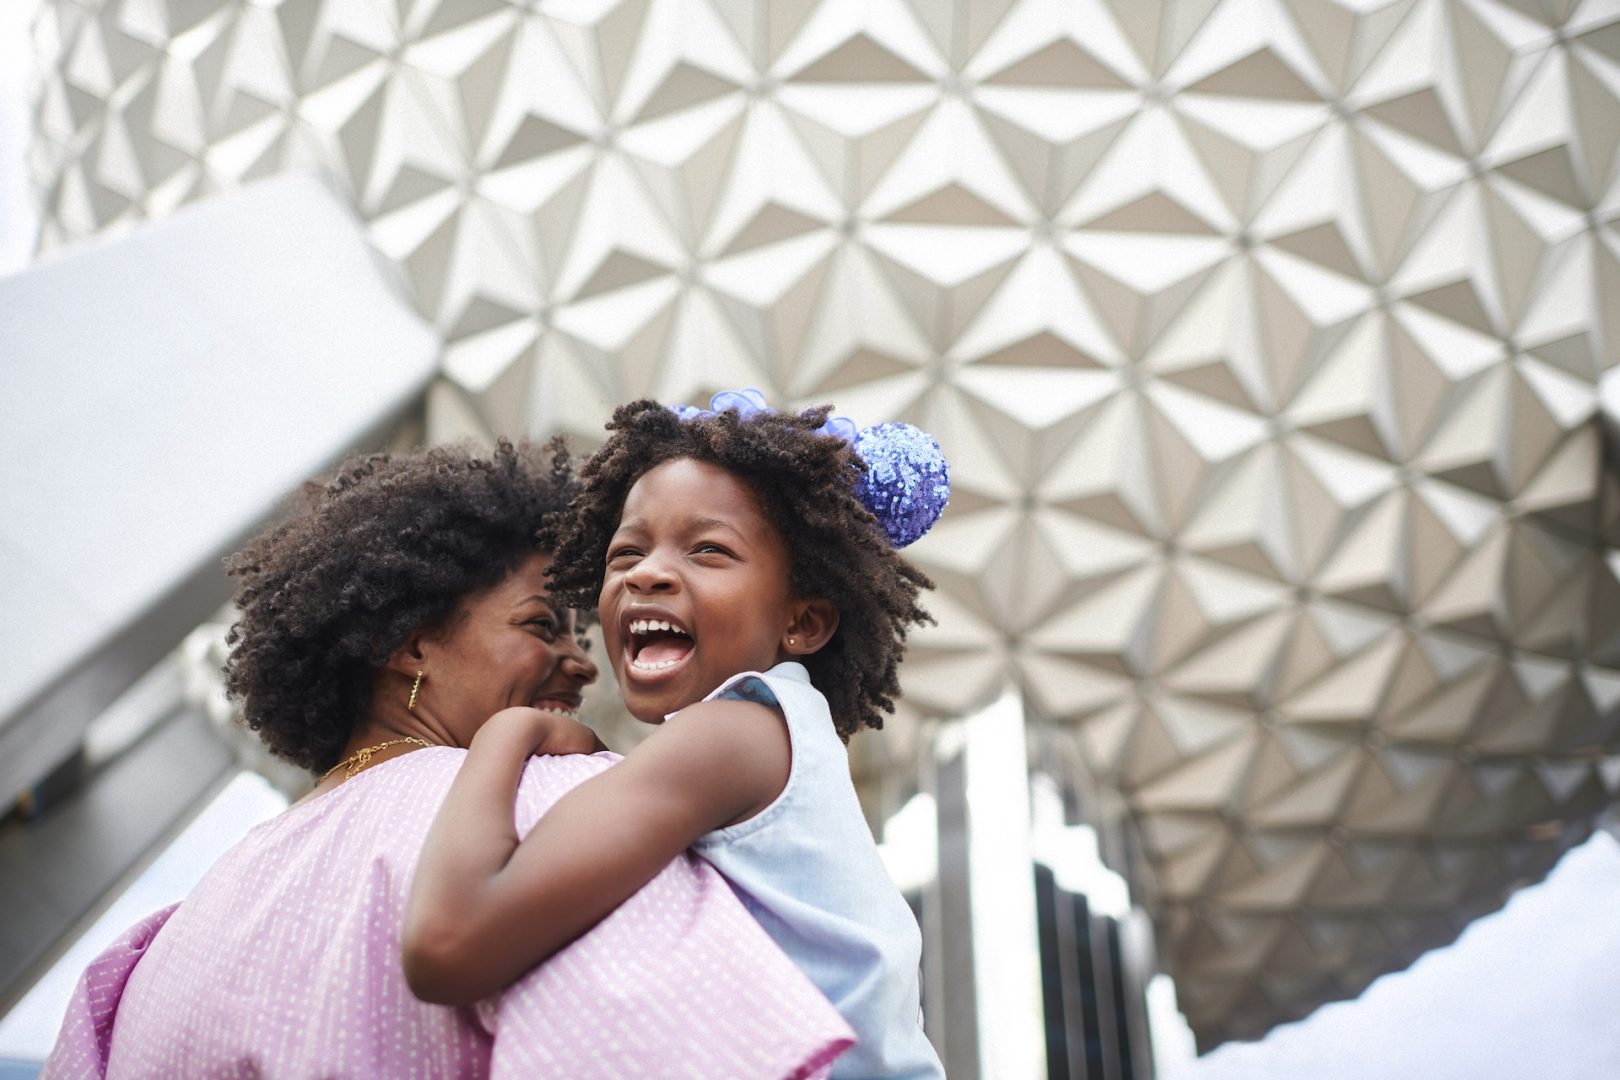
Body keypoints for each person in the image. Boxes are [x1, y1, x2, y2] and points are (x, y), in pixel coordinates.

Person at [43, 439, 852, 1079]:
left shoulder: (153, 952)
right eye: (541, 625)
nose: (582, 664)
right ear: (411, 643)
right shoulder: (543, 810)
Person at [404, 394, 951, 1079]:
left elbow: (449, 943)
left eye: (709, 550)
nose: (647, 572)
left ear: (803, 623)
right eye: (626, 552)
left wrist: (503, 734)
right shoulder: (774, 734)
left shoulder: (736, 734)